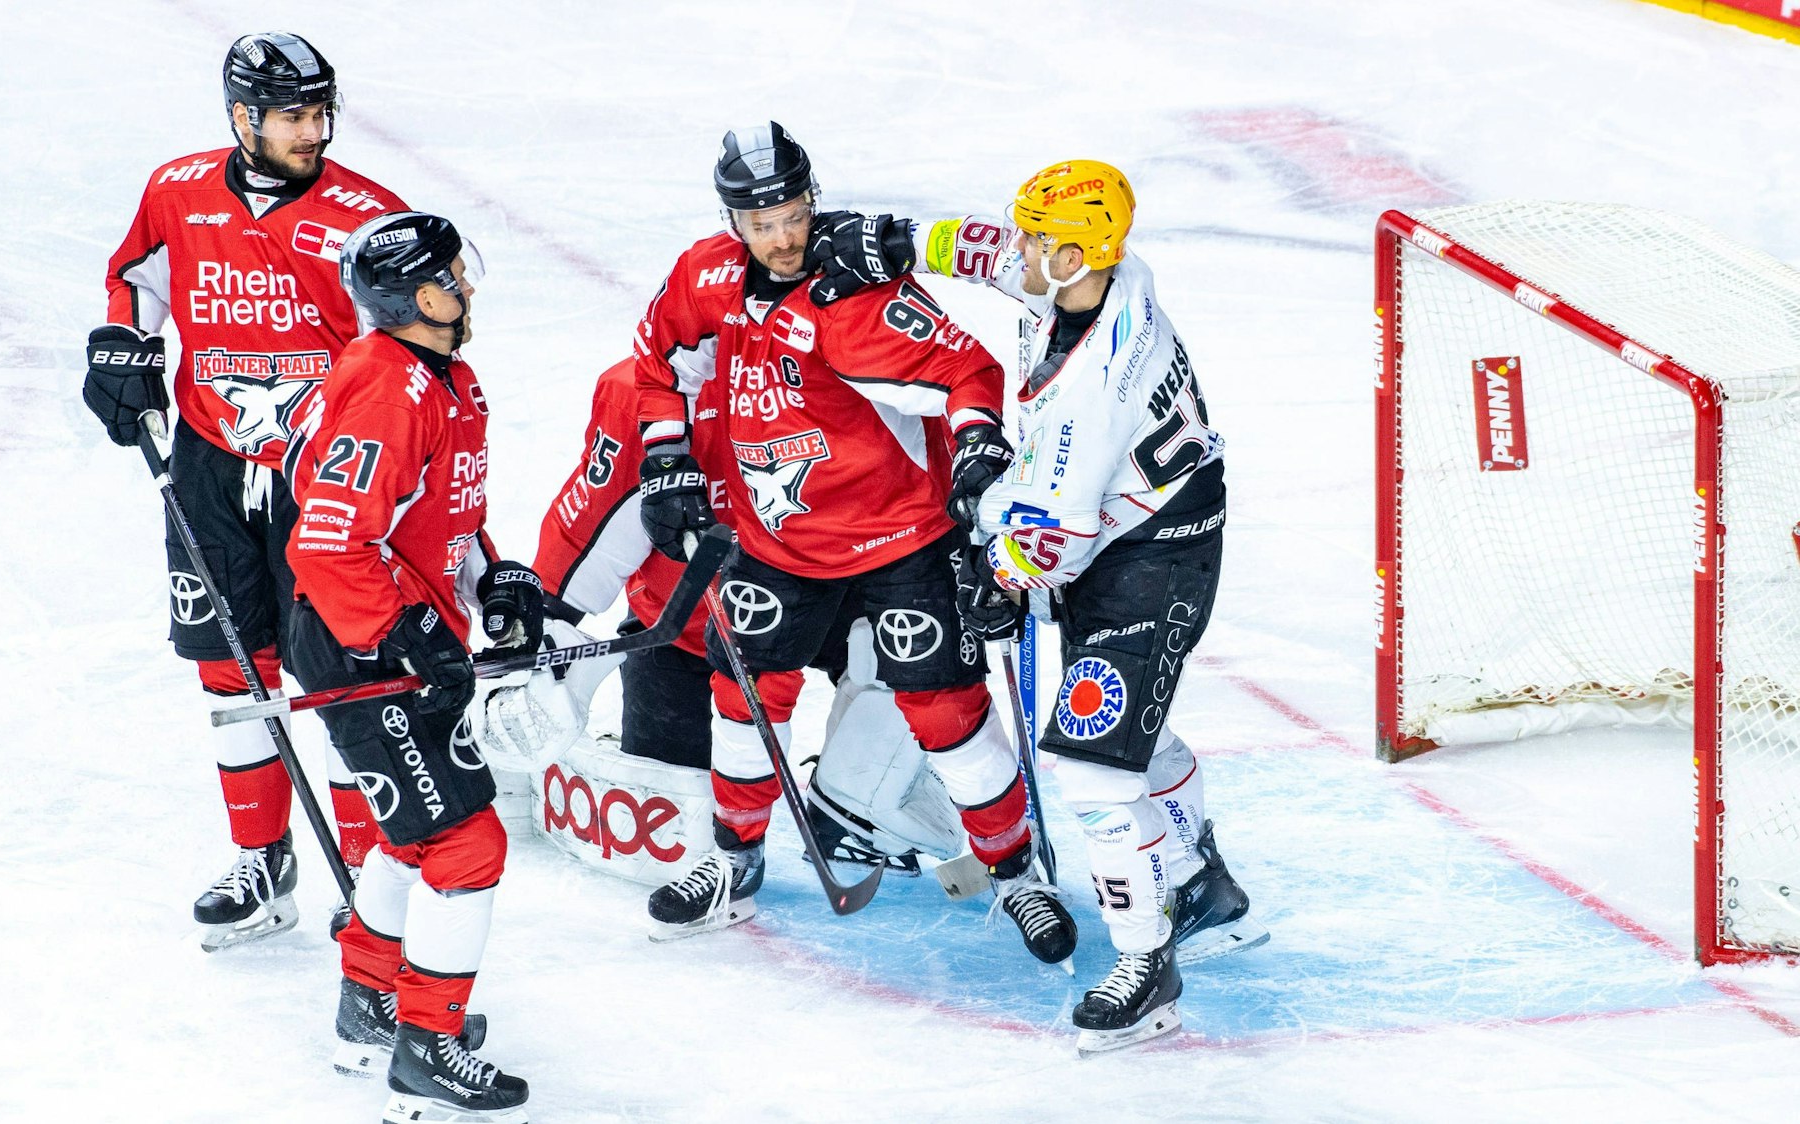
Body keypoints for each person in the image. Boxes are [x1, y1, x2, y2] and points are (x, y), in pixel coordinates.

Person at [807, 160, 1270, 1051]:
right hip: (1126, 531)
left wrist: (995, 576)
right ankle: (1198, 884)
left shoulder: (1095, 383)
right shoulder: (1081, 281)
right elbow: (979, 247)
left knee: (1093, 767)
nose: (1014, 248)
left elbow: (1053, 530)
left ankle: (1148, 969)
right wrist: (894, 240)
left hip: (1147, 557)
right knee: (1138, 735)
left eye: (1032, 239)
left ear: (1069, 256)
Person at [628, 123, 1077, 963]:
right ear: (733, 223)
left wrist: (978, 443)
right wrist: (664, 460)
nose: (782, 237)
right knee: (746, 698)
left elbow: (968, 371)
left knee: (946, 714)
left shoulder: (855, 297)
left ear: (811, 200)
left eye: (793, 213)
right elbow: (659, 366)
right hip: (776, 541)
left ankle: (1015, 875)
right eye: (760, 223)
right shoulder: (705, 278)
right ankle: (733, 858)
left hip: (901, 537)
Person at [84, 31, 409, 949]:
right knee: (231, 666)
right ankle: (263, 861)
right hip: (211, 460)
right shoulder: (177, 190)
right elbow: (133, 279)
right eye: (294, 116)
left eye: (320, 113)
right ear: (242, 117)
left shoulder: (367, 216)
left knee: (339, 671)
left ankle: (368, 872)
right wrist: (123, 347)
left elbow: (408, 344)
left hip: (325, 475)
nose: (314, 132)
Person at [494, 357, 964, 886]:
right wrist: (544, 632)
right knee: (677, 825)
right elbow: (587, 535)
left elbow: (931, 503)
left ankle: (849, 808)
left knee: (921, 632)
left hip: (841, 602)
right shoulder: (648, 395)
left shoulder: (863, 359)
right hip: (689, 629)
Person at [284, 211, 538, 1120]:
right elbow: (327, 544)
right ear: (420, 295)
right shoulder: (389, 390)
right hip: (361, 645)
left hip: (393, 632)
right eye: (453, 275)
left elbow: (442, 518)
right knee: (467, 841)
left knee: (414, 834)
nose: (467, 284)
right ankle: (426, 1044)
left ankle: (369, 1002)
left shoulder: (442, 377)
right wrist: (404, 635)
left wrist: (491, 579)